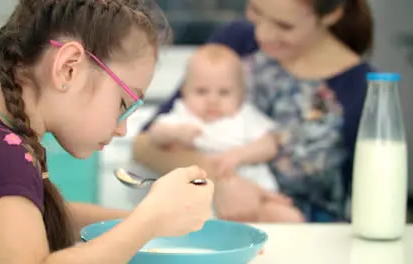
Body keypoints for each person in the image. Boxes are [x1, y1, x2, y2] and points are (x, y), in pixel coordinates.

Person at [0, 1, 215, 263]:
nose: (122, 129)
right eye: (124, 104)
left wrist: (153, 217)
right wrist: (150, 220)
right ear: (68, 68)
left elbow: (43, 216)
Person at [133, 0, 375, 222]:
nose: (263, 34)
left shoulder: (362, 87)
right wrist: (222, 179)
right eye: (256, 12)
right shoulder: (235, 41)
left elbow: (372, 202)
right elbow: (143, 146)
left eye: (284, 25)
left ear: (331, 13)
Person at [147, 43, 300, 221]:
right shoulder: (183, 115)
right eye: (201, 91)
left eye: (224, 92)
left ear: (241, 95)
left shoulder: (244, 116)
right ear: (184, 92)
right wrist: (175, 134)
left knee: (287, 217)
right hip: (195, 199)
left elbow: (269, 145)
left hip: (253, 195)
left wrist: (240, 154)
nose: (213, 100)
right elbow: (155, 134)